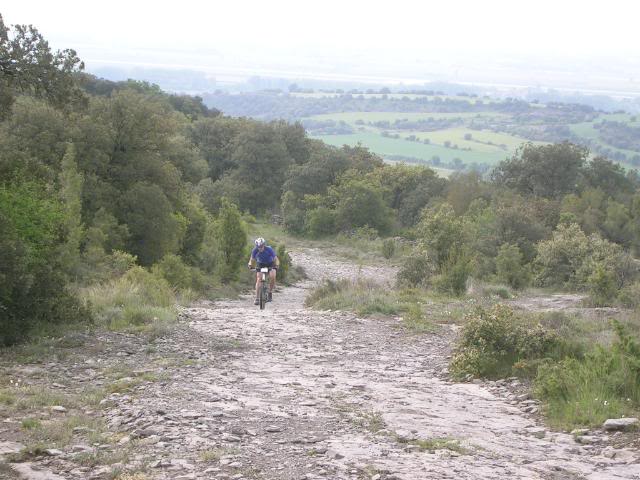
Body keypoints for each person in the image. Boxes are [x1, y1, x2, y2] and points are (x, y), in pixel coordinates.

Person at [248, 237, 279, 305]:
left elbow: (276, 258)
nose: (260, 248)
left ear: (264, 245)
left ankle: (270, 292)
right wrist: (250, 264)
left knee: (273, 276)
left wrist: (277, 265)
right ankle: (257, 298)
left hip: (270, 263)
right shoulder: (255, 250)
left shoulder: (269, 249)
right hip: (260, 264)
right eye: (258, 247)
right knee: (259, 279)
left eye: (261, 246)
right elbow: (251, 259)